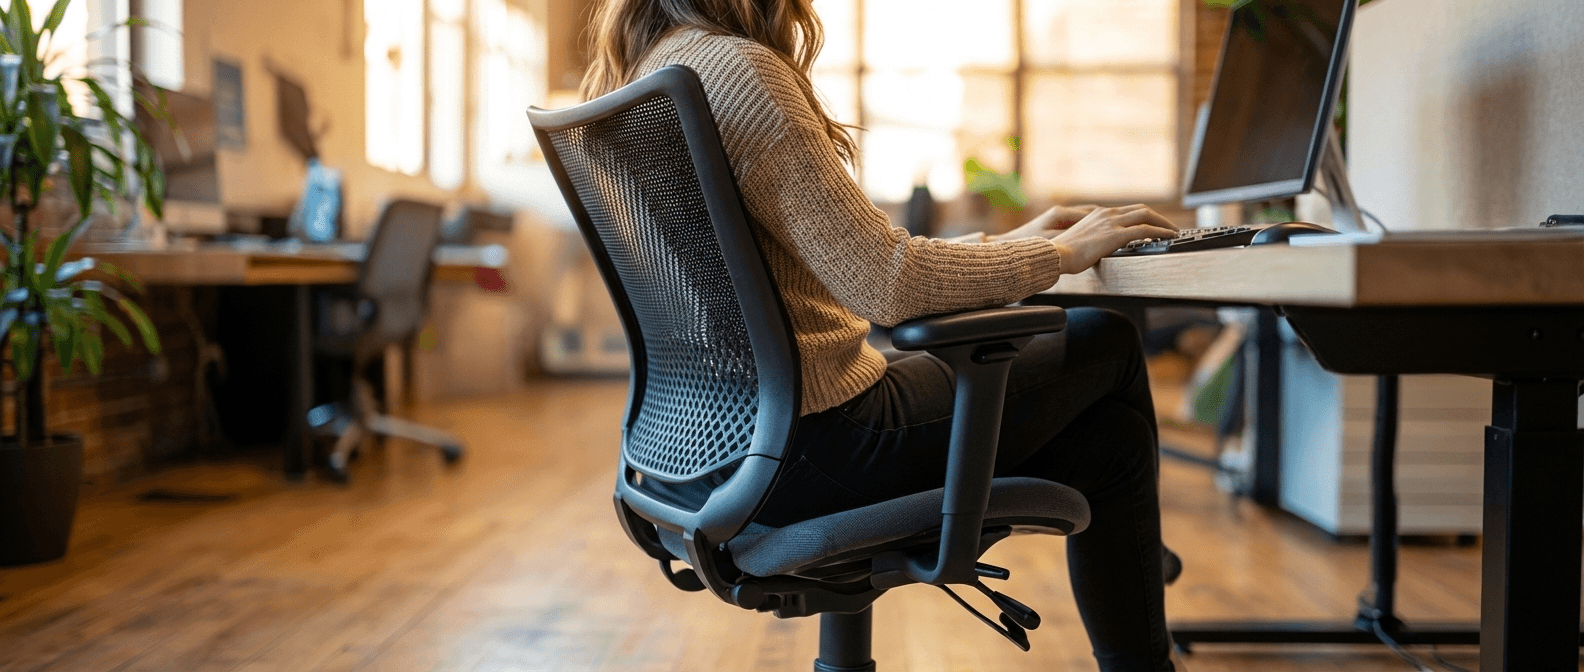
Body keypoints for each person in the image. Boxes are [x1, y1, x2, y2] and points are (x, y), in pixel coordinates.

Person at [582, 1, 1184, 670]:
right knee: (1107, 336)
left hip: (705, 458)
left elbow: (858, 265)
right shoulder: (737, 72)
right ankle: (1144, 562)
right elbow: (889, 287)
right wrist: (1059, 257)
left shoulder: (654, 72)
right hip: (814, 448)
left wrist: (1017, 243)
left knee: (1113, 447)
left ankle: (1142, 599)